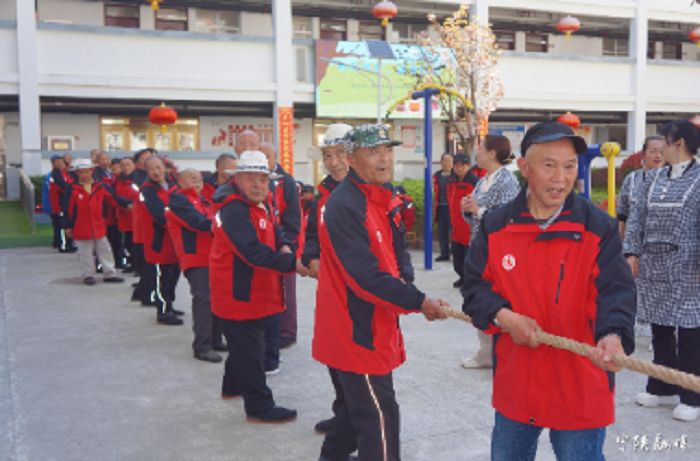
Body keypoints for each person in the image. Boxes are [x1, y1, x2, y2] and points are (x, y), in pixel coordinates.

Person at [463, 121, 636, 460]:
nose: (561, 178)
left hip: (580, 382)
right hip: (518, 379)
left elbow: (616, 291)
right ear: (524, 167)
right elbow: (474, 288)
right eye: (549, 165)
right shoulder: (495, 226)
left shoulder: (598, 227)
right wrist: (503, 316)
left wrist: (613, 335)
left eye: (569, 166)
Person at [313, 124, 447, 461]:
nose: (384, 158)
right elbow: (365, 277)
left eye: (387, 150)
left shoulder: (379, 196)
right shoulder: (345, 205)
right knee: (379, 418)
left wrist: (407, 287)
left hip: (374, 319)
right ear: (352, 158)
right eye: (374, 151)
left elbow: (393, 258)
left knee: (358, 405)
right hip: (356, 327)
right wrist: (418, 300)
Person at [210, 150, 308, 424]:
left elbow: (275, 230)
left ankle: (232, 387)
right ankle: (259, 406)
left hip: (253, 288)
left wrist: (284, 244)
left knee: (242, 345)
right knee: (252, 349)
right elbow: (252, 251)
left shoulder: (260, 203)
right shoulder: (233, 209)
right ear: (237, 179)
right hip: (238, 291)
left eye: (263, 179)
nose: (258, 184)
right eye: (250, 178)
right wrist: (293, 263)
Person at [624, 120, 700, 422]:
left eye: (664, 143)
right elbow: (636, 218)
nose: (659, 151)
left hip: (689, 266)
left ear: (678, 144)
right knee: (661, 328)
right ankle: (662, 387)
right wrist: (631, 251)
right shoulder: (652, 178)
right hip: (653, 264)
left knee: (691, 330)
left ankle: (691, 395)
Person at [302, 123, 353, 436]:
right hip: (331, 292)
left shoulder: (377, 193)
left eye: (340, 153)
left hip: (363, 294)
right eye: (327, 155)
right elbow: (311, 237)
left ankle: (355, 424)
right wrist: (312, 258)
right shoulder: (320, 197)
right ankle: (343, 415)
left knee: (359, 363)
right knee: (334, 354)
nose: (333, 162)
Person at [460, 134, 521, 369]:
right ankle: (486, 352)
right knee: (480, 296)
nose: (477, 153)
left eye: (481, 148)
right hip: (480, 247)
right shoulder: (483, 179)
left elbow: (508, 218)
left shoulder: (507, 180)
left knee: (496, 298)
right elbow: (478, 214)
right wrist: (469, 209)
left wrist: (478, 210)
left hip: (499, 251)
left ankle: (498, 353)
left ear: (492, 153)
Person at [166, 169, 226, 362]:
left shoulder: (203, 200)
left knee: (216, 298)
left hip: (212, 256)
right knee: (204, 299)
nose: (198, 184)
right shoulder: (178, 200)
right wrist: (223, 227)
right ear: (181, 182)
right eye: (193, 180)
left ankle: (215, 339)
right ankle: (202, 346)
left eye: (200, 180)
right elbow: (196, 222)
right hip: (195, 257)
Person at [261, 142, 303, 360]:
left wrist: (287, 243)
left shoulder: (286, 182)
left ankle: (287, 332)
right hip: (262, 245)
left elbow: (293, 217)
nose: (264, 159)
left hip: (284, 243)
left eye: (267, 155)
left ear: (275, 157)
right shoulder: (255, 179)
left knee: (287, 290)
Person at [61, 159, 130, 285]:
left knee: (105, 250)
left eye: (87, 172)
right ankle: (88, 275)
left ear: (92, 172)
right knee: (85, 253)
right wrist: (68, 226)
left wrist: (128, 204)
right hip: (81, 226)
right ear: (77, 173)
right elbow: (67, 209)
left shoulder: (101, 186)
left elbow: (113, 199)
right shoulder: (71, 188)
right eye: (81, 172)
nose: (84, 175)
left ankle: (110, 274)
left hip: (98, 225)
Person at [140, 156, 183, 326]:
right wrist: (181, 219)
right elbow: (159, 215)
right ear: (147, 171)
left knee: (174, 274)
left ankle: (169, 304)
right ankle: (163, 311)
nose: (156, 172)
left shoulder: (174, 185)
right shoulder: (147, 190)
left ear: (164, 167)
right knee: (161, 277)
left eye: (158, 167)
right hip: (158, 240)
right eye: (152, 169)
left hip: (174, 239)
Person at [617, 136, 665, 239]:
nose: (658, 156)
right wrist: (618, 237)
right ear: (643, 154)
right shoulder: (632, 179)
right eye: (653, 151)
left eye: (662, 152)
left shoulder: (673, 180)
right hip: (633, 240)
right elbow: (622, 212)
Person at [447, 153, 480, 288]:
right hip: (456, 225)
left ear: (468, 166)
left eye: (463, 165)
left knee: (469, 257)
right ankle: (462, 277)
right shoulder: (452, 181)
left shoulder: (474, 181)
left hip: (469, 226)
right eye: (456, 165)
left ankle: (469, 280)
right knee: (457, 257)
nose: (459, 168)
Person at [131, 148, 158, 306]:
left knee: (150, 264)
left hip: (150, 227)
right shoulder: (139, 181)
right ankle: (147, 294)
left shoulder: (155, 179)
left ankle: (141, 291)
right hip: (145, 227)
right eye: (145, 158)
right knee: (150, 263)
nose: (150, 161)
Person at [94, 152, 125, 270]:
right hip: (104, 211)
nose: (105, 162)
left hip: (115, 212)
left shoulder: (113, 175)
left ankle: (118, 260)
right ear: (97, 161)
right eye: (102, 159)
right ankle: (102, 263)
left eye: (107, 159)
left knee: (116, 238)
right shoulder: (96, 175)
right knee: (104, 240)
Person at [45, 155, 76, 253]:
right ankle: (63, 245)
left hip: (67, 203)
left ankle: (67, 243)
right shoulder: (55, 175)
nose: (59, 163)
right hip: (59, 204)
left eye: (60, 161)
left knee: (67, 223)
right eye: (56, 162)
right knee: (61, 225)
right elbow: (63, 187)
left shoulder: (67, 173)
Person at [116, 157, 138, 273]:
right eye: (123, 165)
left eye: (128, 164)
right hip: (124, 216)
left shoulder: (138, 179)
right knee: (128, 242)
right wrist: (124, 205)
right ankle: (133, 263)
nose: (126, 167)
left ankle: (139, 266)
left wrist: (132, 204)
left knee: (137, 243)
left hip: (136, 216)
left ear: (134, 166)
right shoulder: (117, 181)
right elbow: (114, 196)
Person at [433, 153, 453, 262]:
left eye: (449, 161)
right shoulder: (436, 176)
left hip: (452, 208)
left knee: (454, 231)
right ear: (441, 162)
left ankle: (456, 253)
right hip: (440, 207)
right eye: (445, 161)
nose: (447, 163)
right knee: (442, 231)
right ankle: (444, 253)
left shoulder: (455, 176)